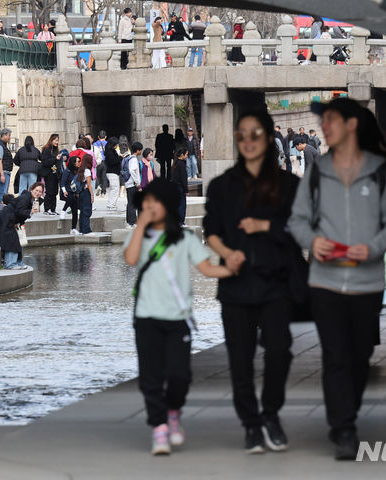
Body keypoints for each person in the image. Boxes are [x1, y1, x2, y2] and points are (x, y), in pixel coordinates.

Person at [288, 98, 386, 460]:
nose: (324, 126)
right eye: (323, 121)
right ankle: (343, 427)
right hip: (325, 282)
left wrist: (372, 248)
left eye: (332, 120)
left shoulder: (380, 172)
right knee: (335, 356)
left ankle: (347, 415)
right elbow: (297, 222)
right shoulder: (316, 172)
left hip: (367, 283)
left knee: (359, 356)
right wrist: (313, 242)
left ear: (352, 125)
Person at [203, 107, 302, 454]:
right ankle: (251, 424)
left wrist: (267, 227)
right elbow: (211, 231)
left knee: (280, 350)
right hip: (236, 284)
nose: (248, 140)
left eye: (255, 133)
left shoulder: (290, 186)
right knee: (239, 359)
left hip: (277, 282)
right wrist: (226, 253)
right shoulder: (222, 186)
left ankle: (271, 413)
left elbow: (304, 229)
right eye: (241, 134)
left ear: (269, 136)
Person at [123, 178, 233, 456]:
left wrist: (234, 270)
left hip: (177, 319)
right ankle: (159, 426)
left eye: (155, 202)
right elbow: (131, 259)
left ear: (168, 206)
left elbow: (207, 268)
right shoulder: (139, 236)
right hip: (146, 317)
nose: (149, 207)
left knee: (179, 374)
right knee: (150, 376)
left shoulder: (185, 239)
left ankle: (173, 412)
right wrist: (140, 225)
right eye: (145, 202)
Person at [0, 183, 41, 269]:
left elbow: (21, 213)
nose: (37, 193)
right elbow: (19, 211)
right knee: (12, 240)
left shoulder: (31, 199)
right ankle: (10, 264)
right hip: (8, 218)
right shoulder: (26, 197)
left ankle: (18, 262)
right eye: (36, 190)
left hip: (14, 220)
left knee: (19, 240)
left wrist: (21, 223)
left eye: (40, 192)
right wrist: (31, 211)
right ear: (32, 189)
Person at [39, 134, 62, 215]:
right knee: (49, 191)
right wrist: (55, 159)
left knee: (55, 192)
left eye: (57, 140)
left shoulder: (56, 150)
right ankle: (47, 209)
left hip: (55, 173)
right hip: (49, 174)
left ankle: (53, 209)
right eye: (55, 140)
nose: (57, 142)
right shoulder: (47, 150)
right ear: (51, 140)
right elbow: (44, 162)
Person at [123, 142, 143, 228]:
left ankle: (129, 222)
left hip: (129, 183)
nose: (141, 151)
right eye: (141, 150)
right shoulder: (134, 159)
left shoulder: (129, 158)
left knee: (130, 203)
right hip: (132, 184)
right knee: (132, 203)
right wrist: (137, 183)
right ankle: (132, 222)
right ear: (138, 150)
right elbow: (132, 171)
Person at [60, 155, 81, 234]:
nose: (79, 163)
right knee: (71, 197)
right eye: (78, 161)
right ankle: (64, 210)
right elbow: (63, 183)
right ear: (73, 162)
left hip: (74, 192)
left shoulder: (78, 171)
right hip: (66, 192)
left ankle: (73, 228)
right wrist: (64, 191)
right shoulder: (67, 171)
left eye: (79, 161)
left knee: (75, 210)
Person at [0, 128, 13, 204]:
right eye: (9, 135)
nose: (9, 137)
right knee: (3, 192)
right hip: (3, 172)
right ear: (4, 135)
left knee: (4, 191)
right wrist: (2, 175)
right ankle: (0, 209)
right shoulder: (0, 146)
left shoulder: (3, 145)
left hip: (5, 172)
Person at [78, 154, 95, 235]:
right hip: (86, 192)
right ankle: (86, 230)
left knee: (82, 211)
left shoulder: (80, 169)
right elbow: (89, 184)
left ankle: (82, 229)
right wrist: (92, 195)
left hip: (81, 192)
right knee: (87, 211)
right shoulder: (87, 171)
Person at [104, 137, 122, 210]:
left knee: (113, 189)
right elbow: (112, 162)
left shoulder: (111, 151)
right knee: (115, 189)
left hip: (113, 172)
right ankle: (111, 205)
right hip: (112, 172)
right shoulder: (109, 152)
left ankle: (111, 204)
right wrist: (120, 158)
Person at [171, 148, 188, 225]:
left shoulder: (176, 163)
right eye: (186, 154)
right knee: (182, 205)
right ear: (182, 155)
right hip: (180, 187)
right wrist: (186, 190)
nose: (187, 156)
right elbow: (183, 178)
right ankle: (181, 221)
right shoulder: (181, 164)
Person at [93, 131, 108, 195]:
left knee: (97, 176)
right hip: (105, 162)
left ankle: (98, 186)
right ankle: (104, 191)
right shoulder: (107, 143)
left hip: (98, 161)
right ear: (105, 137)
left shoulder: (95, 144)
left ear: (98, 137)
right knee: (104, 177)